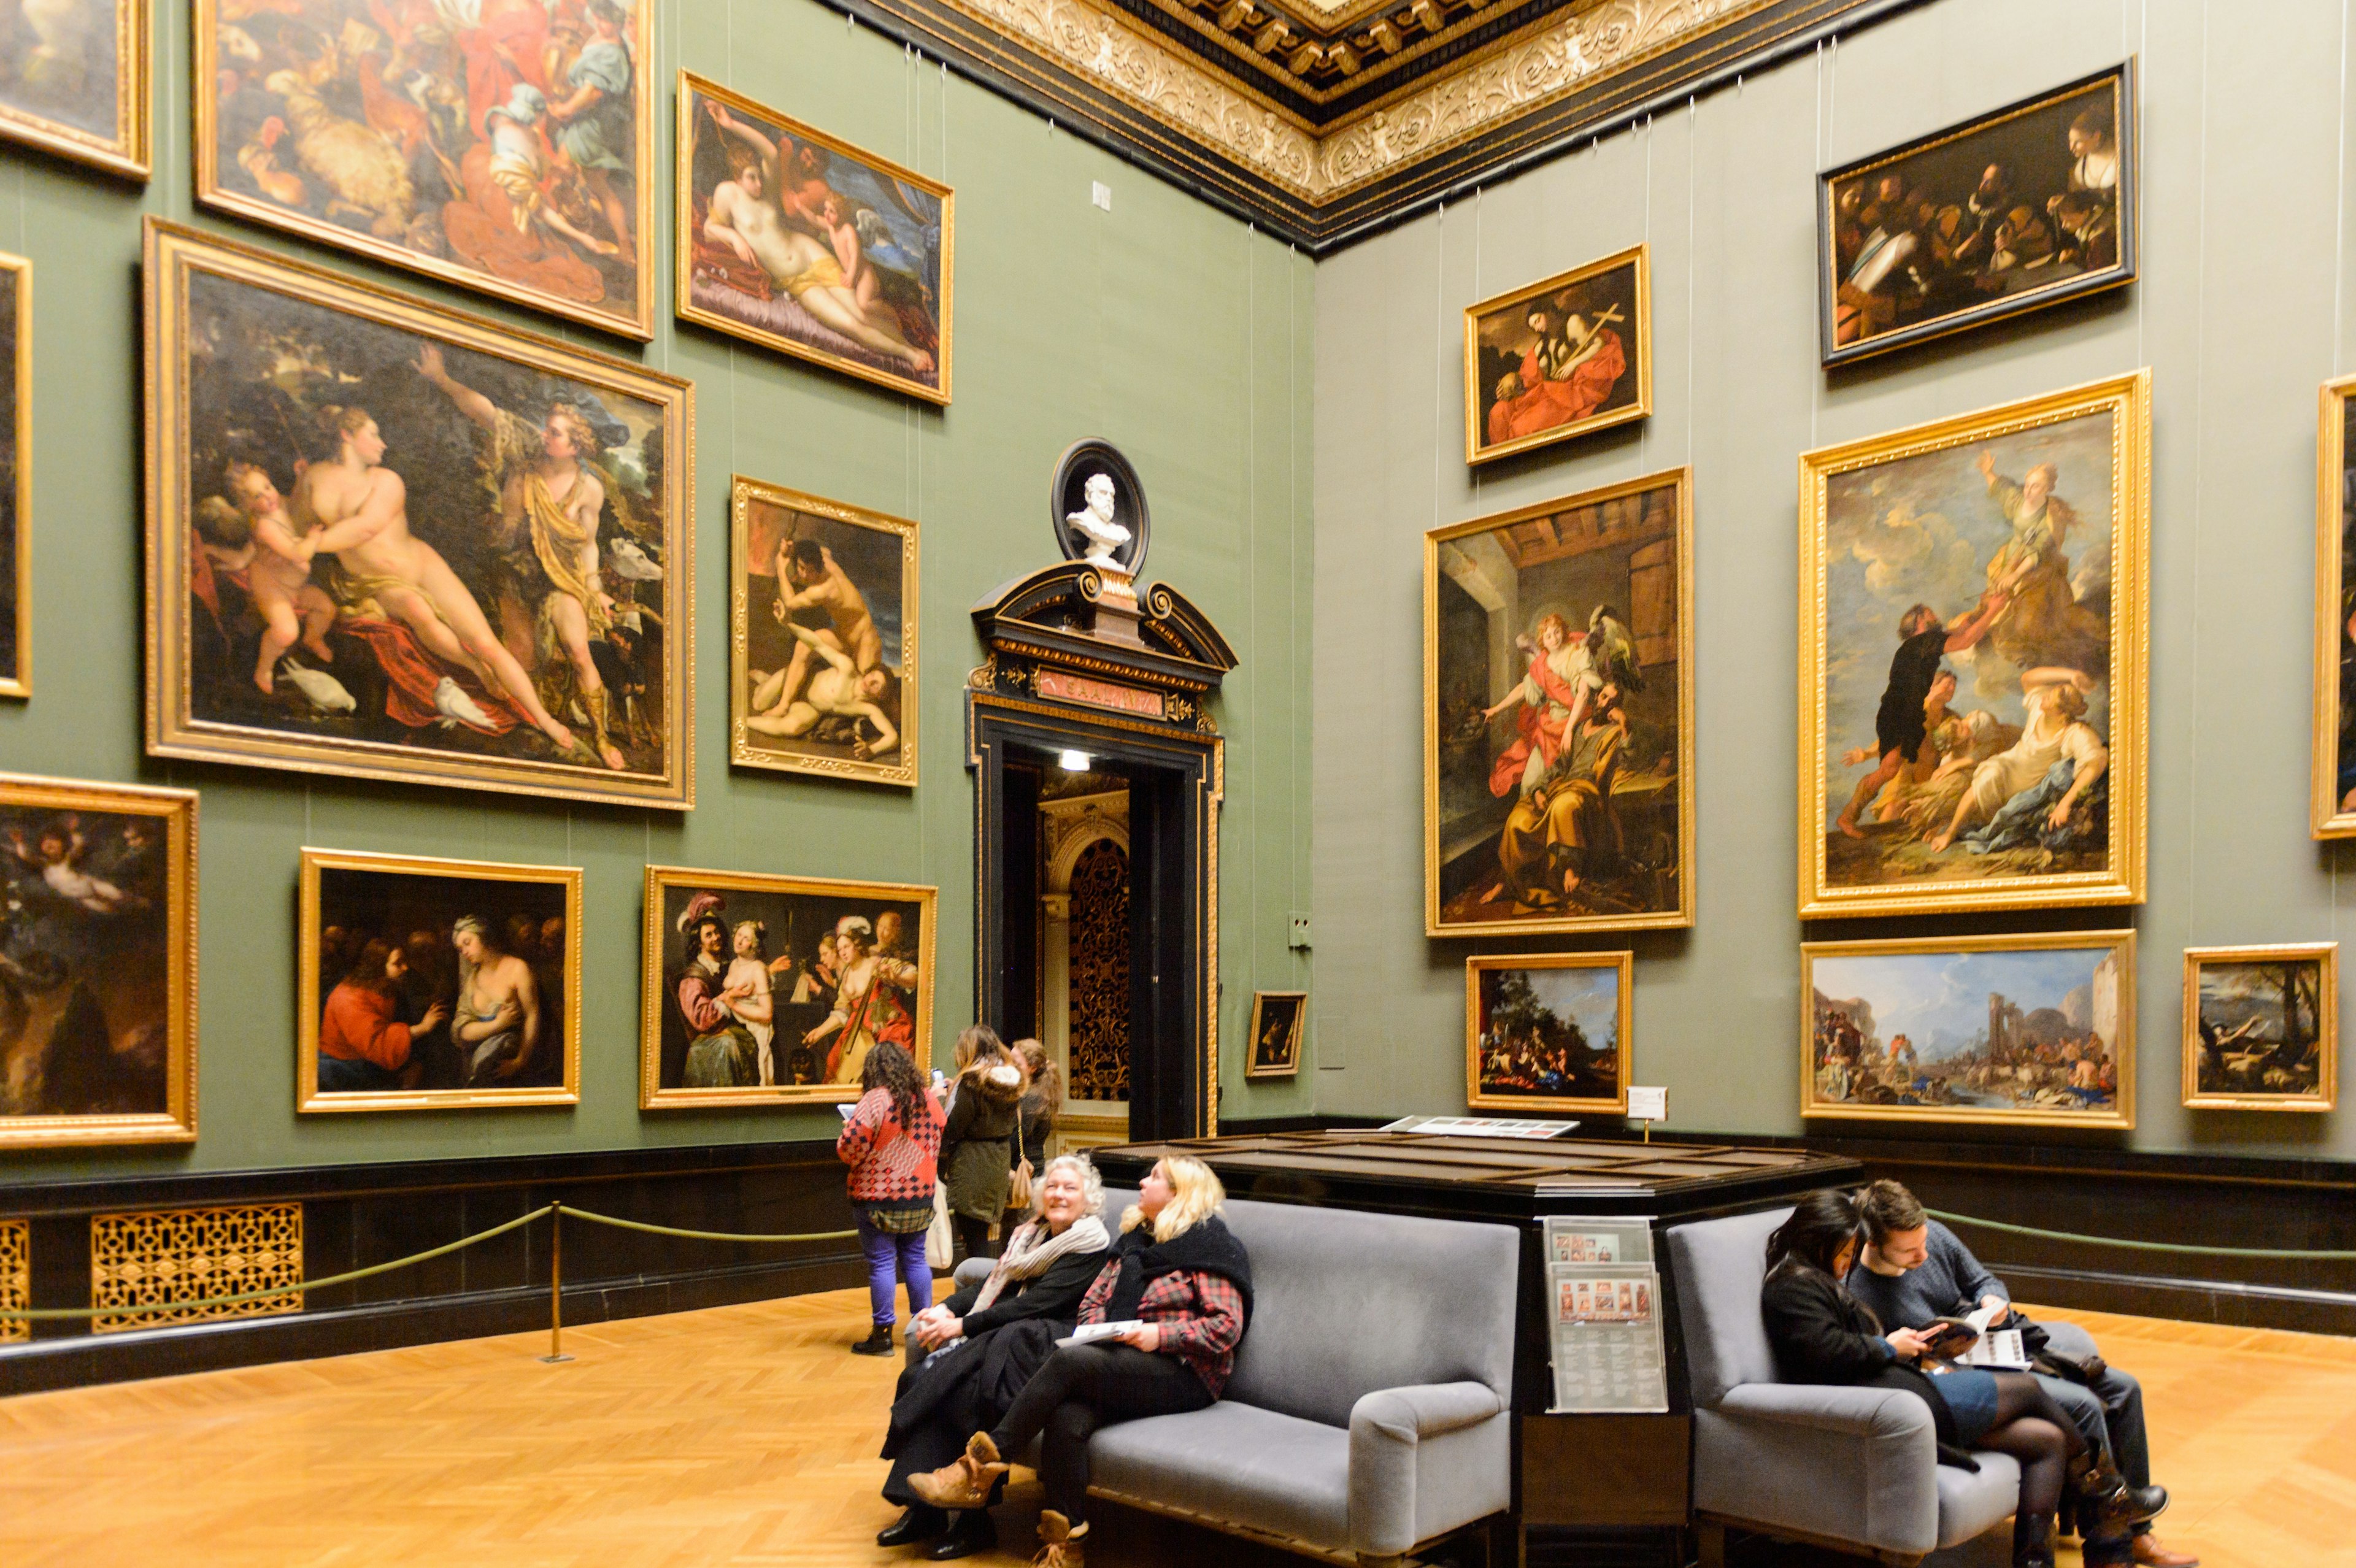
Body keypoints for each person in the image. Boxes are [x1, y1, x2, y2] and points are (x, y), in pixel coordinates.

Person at [1760, 1189, 2162, 1568]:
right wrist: (1891, 1347)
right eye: (1845, 1250)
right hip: (1908, 1398)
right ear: (1821, 1243)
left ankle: (2037, 1558)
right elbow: (1828, 1351)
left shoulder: (1811, 1277)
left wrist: (1977, 1310)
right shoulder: (1794, 1286)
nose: (1849, 1259)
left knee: (2048, 1441)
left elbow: (1980, 1281)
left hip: (1912, 1389)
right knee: (2029, 1389)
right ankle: (2109, 1496)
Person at [909, 1156, 1252, 1568]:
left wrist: (1157, 1335)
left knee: (1068, 1363)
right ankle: (1065, 1546)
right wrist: (1099, 1332)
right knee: (1068, 1417)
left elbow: (1226, 1328)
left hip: (1185, 1374)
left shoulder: (1212, 1247)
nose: (1143, 1182)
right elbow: (1094, 1300)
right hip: (1123, 1361)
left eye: (1155, 1177)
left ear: (1180, 1193)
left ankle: (979, 1466)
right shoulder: (1135, 1241)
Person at [292, 404, 583, 758]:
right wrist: (294, 538)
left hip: (421, 564)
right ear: (347, 436)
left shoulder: (386, 480)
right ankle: (475, 667)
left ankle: (543, 719)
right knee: (417, 609)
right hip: (375, 583)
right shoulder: (313, 478)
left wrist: (312, 543)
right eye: (374, 434)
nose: (382, 444)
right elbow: (293, 522)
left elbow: (365, 527)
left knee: (488, 643)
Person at [879, 1154, 1114, 1558]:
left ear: (1087, 1200)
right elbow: (997, 1283)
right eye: (1053, 1187)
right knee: (921, 1378)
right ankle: (923, 1508)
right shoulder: (1031, 1235)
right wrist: (949, 1308)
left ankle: (975, 1522)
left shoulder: (1091, 1244)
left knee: (974, 1388)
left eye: (1070, 1188)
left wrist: (963, 1327)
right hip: (1008, 1335)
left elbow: (1036, 1304)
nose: (1059, 1194)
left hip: (1047, 1347)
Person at [415, 344, 629, 771]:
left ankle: (603, 740)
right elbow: (486, 412)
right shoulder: (527, 452)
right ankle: (531, 722)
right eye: (548, 429)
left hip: (560, 579)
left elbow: (588, 544)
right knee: (521, 653)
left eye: (555, 433)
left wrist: (596, 589)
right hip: (513, 570)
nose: (546, 435)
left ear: (576, 444)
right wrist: (441, 379)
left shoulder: (589, 490)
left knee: (579, 650)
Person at [1835, 596, 2009, 836]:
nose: (1935, 616)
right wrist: (1994, 611)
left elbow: (1959, 629)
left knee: (1889, 770)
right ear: (1919, 622)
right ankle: (1848, 817)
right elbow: (1966, 639)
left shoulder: (1920, 645)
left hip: (1902, 713)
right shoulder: (1922, 643)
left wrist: (1981, 609)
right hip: (1899, 714)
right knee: (1891, 770)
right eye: (1929, 614)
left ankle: (1847, 817)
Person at [836, 1040, 945, 1356]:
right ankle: (925, 1330)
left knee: (882, 1263)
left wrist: (849, 1131)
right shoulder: (928, 1099)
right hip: (920, 1197)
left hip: (877, 1199)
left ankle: (882, 1336)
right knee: (915, 1259)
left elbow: (849, 1151)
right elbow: (940, 1130)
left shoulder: (875, 1100)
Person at [1927, 667, 2107, 854]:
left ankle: (1952, 827)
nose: (2044, 696)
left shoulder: (2073, 732)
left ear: (2061, 714)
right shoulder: (2039, 708)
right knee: (1990, 774)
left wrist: (2065, 803)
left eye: (2050, 698)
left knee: (1992, 807)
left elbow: (2095, 764)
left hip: (2027, 782)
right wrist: (2071, 676)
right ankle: (1950, 831)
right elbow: (2028, 679)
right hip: (2009, 763)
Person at [939, 1026, 1025, 1266]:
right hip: (998, 1158)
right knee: (983, 1232)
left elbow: (954, 1127)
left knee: (973, 1235)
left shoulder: (972, 1081)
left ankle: (982, 1293)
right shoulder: (1011, 1081)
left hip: (973, 1163)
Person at [317, 938, 448, 1093]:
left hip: (374, 1063)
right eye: (397, 963)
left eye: (405, 961)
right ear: (378, 966)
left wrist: (416, 1065)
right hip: (344, 1069)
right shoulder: (349, 997)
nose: (405, 968)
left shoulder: (389, 988)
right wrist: (423, 1028)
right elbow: (378, 1042)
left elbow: (405, 1024)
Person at [450, 915, 540, 1085]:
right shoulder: (472, 980)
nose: (465, 952)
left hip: (511, 1066)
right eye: (461, 949)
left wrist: (520, 1061)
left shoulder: (518, 969)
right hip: (477, 1066)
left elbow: (533, 1016)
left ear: (483, 936)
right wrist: (498, 1024)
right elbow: (462, 1030)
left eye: (467, 943)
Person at [718, 919, 777, 1085]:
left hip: (754, 1029)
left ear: (754, 945)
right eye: (739, 935)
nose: (739, 940)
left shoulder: (758, 969)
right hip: (735, 1023)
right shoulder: (733, 965)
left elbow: (767, 1014)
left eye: (745, 938)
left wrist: (733, 1004)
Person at [1011, 1039, 1058, 1172]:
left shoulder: (1032, 1098)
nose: (1010, 1066)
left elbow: (1013, 1139)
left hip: (1025, 1174)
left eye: (1016, 1063)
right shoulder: (1035, 1093)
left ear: (1032, 1068)